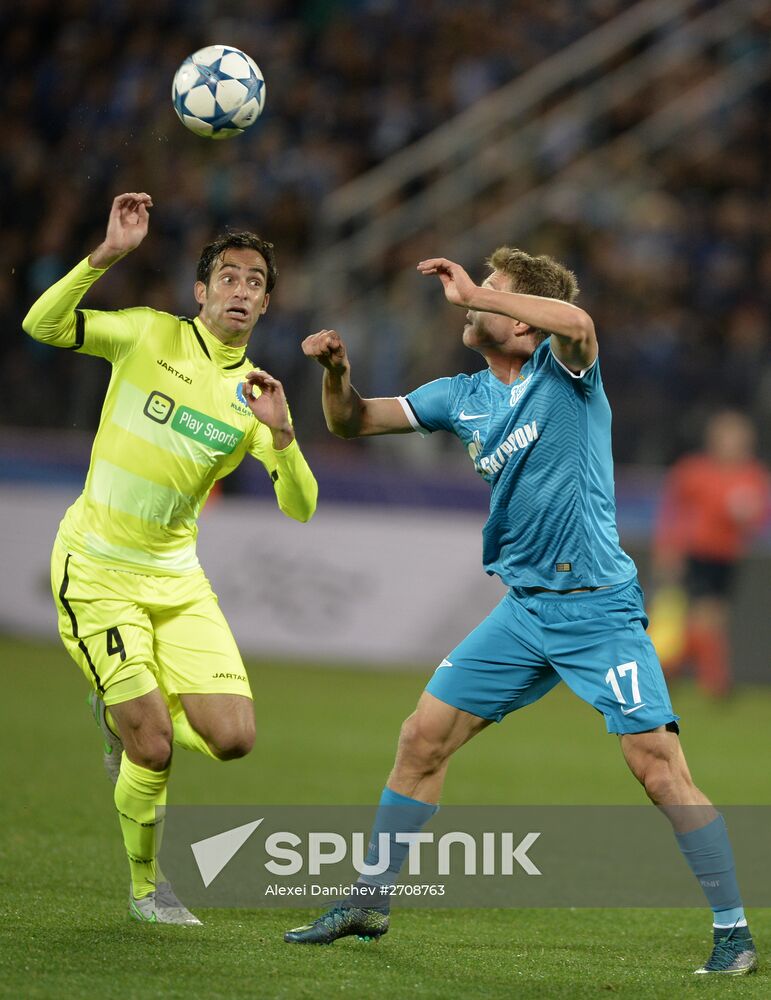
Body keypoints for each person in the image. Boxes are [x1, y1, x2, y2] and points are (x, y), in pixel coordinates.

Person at [284, 249, 757, 976]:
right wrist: (336, 375)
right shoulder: (460, 395)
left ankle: (734, 934)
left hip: (597, 608)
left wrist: (479, 291)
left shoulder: (565, 371)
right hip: (525, 610)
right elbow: (353, 424)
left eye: (493, 296)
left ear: (520, 322)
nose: (472, 305)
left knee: (656, 768)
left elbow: (577, 320)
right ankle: (368, 900)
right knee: (421, 738)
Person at [23, 192, 318, 925]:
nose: (241, 289)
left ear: (266, 303)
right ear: (200, 291)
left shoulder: (252, 396)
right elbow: (43, 324)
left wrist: (281, 437)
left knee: (235, 739)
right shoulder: (147, 336)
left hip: (176, 578)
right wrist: (108, 254)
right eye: (228, 276)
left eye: (255, 282)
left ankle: (120, 713)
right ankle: (147, 887)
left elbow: (301, 507)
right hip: (95, 566)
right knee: (153, 747)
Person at [651, 411, 769, 697]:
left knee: (710, 619)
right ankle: (714, 682)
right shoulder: (694, 470)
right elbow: (672, 511)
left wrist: (746, 516)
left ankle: (669, 669)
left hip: (727, 557)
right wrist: (669, 548)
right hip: (697, 553)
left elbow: (756, 519)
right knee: (706, 617)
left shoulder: (753, 475)